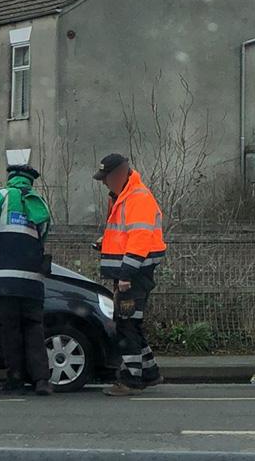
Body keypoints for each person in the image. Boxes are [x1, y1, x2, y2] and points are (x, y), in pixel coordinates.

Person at [0, 164, 53, 396]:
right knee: (34, 328)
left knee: (11, 331)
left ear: (11, 178)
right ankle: (42, 380)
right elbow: (42, 238)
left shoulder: (0, 196)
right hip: (32, 281)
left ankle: (15, 379)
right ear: (30, 182)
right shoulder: (40, 204)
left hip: (3, 279)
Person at [93, 153, 167, 397]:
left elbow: (139, 239)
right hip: (133, 272)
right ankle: (149, 372)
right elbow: (125, 234)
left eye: (106, 178)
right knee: (131, 323)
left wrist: (125, 275)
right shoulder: (125, 197)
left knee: (126, 325)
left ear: (119, 175)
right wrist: (105, 243)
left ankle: (131, 379)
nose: (104, 183)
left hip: (134, 274)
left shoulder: (137, 198)